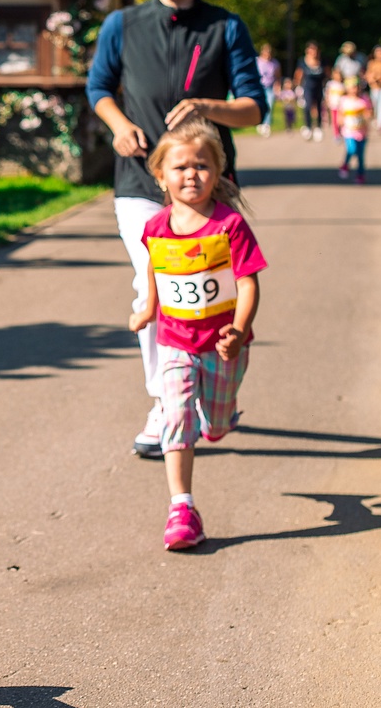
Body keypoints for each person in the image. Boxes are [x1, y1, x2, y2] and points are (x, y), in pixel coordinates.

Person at [86, 0, 266, 459]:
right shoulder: (122, 23)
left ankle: (213, 384)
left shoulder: (226, 28)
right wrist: (119, 127)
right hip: (140, 182)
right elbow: (98, 86)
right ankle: (165, 400)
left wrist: (209, 108)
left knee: (215, 292)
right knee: (156, 279)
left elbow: (255, 107)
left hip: (207, 187)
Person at [128, 118, 267, 550]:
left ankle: (217, 416)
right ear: (161, 176)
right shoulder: (155, 228)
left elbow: (248, 283)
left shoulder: (229, 226)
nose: (191, 174)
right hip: (175, 342)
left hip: (224, 347)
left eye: (202, 166)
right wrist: (149, 307)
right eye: (180, 167)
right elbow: (154, 267)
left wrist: (240, 330)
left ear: (218, 171)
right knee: (176, 416)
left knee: (219, 425)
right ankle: (182, 508)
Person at [337, 77, 372, 184]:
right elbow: (340, 114)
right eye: (352, 87)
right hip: (349, 131)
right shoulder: (344, 100)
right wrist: (340, 122)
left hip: (362, 131)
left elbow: (369, 112)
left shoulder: (364, 99)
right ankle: (346, 164)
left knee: (361, 155)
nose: (355, 90)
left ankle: (360, 175)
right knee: (352, 149)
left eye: (356, 87)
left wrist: (367, 117)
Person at [293, 41, 326, 141]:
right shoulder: (302, 61)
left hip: (319, 88)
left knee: (320, 107)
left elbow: (327, 74)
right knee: (307, 107)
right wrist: (297, 87)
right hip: (307, 88)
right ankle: (308, 126)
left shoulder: (322, 61)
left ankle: (318, 127)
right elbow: (298, 74)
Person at [256, 43, 282, 136]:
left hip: (270, 87)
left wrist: (278, 87)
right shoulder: (257, 61)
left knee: (269, 105)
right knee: (259, 105)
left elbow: (278, 76)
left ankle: (266, 125)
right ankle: (260, 122)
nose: (268, 54)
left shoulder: (275, 63)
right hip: (259, 87)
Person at [324, 69, 346, 142]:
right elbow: (327, 93)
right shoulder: (331, 84)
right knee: (335, 121)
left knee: (341, 120)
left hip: (342, 107)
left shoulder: (343, 85)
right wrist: (327, 101)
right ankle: (336, 134)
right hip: (333, 105)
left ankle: (342, 132)